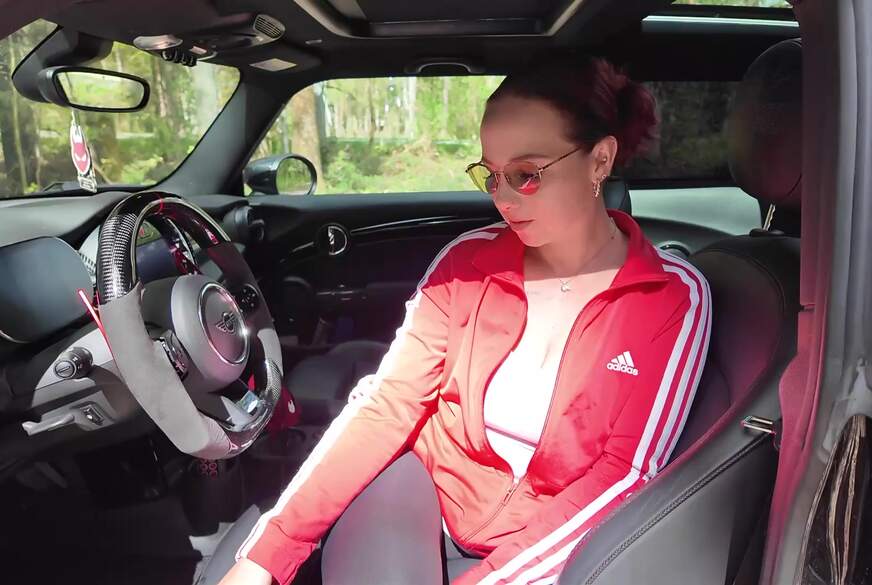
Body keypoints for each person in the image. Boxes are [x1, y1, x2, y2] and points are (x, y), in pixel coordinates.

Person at [218, 55, 711, 585]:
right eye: (490, 175)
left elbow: (623, 476)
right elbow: (390, 403)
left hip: (550, 547)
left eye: (526, 175)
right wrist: (267, 554)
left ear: (600, 160)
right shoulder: (467, 263)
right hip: (424, 498)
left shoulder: (670, 297)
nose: (502, 199)